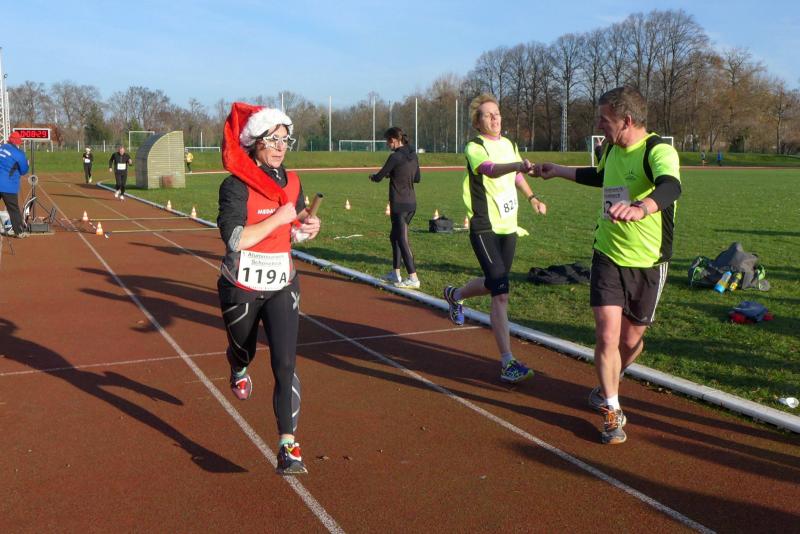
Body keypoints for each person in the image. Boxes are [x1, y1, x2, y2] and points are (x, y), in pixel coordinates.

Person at [533, 86, 682, 445]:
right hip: (608, 254)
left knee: (630, 342)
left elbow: (670, 187)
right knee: (606, 336)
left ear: (626, 120)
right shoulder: (611, 149)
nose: (599, 125)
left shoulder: (658, 150)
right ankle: (612, 409)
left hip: (649, 261)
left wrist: (641, 208)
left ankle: (609, 381)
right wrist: (558, 171)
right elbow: (601, 177)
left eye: (604, 119)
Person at [217, 103, 321, 475]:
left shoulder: (292, 182)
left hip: (282, 283)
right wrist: (280, 217)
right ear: (255, 142)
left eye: (285, 139)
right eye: (272, 139)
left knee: (285, 363)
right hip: (241, 285)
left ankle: (288, 445)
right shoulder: (235, 185)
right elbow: (235, 239)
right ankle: (238, 366)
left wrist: (308, 227)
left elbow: (295, 225)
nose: (280, 147)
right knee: (243, 349)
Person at [443, 94, 546, 384]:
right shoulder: (475, 146)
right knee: (501, 292)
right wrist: (516, 166)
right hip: (484, 225)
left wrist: (533, 198)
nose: (495, 118)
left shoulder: (509, 144)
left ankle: (455, 295)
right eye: (488, 115)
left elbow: (517, 177)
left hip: (508, 226)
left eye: (497, 113)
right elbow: (489, 169)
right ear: (478, 122)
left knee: (494, 283)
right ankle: (507, 362)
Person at [369, 126, 421, 288]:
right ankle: (395, 274)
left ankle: (413, 278)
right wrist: (396, 174)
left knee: (402, 239)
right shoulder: (413, 155)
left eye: (388, 142)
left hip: (399, 204)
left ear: (393, 140)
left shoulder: (395, 157)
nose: (387, 144)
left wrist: (373, 177)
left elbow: (379, 176)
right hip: (411, 204)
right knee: (395, 237)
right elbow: (417, 178)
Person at [0, 132, 30, 238]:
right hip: (8, 186)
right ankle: (19, 232)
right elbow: (24, 171)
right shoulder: (19, 154)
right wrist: (27, 164)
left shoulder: (2, 147)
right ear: (18, 142)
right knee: (13, 209)